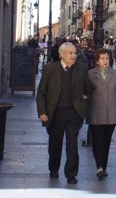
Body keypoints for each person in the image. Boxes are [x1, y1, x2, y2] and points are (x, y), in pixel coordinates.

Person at [36, 42, 89, 184]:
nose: (74, 55)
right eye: (70, 53)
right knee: (55, 144)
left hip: (74, 114)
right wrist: (42, 112)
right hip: (55, 113)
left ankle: (71, 174)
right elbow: (41, 93)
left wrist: (84, 99)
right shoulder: (49, 69)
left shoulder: (82, 69)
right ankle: (54, 169)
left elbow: (88, 89)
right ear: (62, 55)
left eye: (75, 53)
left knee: (72, 145)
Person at [87, 48, 116, 180]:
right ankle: (99, 167)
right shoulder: (90, 74)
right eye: (102, 58)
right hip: (95, 113)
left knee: (107, 142)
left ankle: (104, 166)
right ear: (97, 61)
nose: (105, 61)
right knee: (97, 141)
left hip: (111, 114)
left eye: (107, 58)